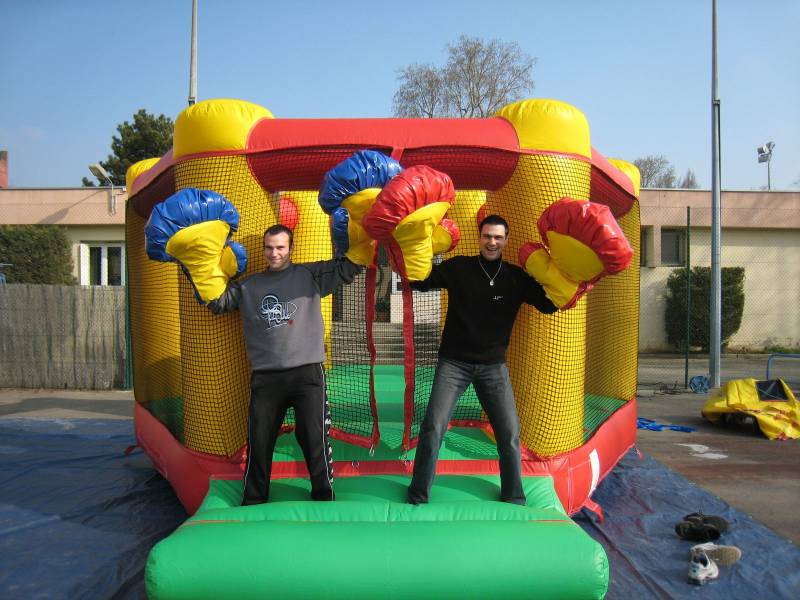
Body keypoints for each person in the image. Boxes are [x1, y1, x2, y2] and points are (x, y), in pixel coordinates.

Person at [407, 214, 557, 505]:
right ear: (480, 237)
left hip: (493, 366)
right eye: (487, 236)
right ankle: (418, 494)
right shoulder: (459, 268)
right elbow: (420, 282)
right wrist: (413, 247)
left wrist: (572, 277)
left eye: (498, 237)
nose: (492, 242)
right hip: (454, 363)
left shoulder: (515, 278)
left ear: (506, 240)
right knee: (434, 426)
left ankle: (514, 496)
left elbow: (549, 304)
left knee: (510, 432)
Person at [209, 224, 362, 505]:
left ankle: (323, 495)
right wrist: (197, 263)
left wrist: (360, 233)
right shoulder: (249, 286)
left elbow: (349, 268)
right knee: (260, 440)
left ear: (291, 248)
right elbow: (217, 303)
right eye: (269, 247)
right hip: (266, 378)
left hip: (307, 374)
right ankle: (254, 499)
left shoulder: (309, 275)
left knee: (314, 438)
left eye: (280, 247)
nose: (274, 253)